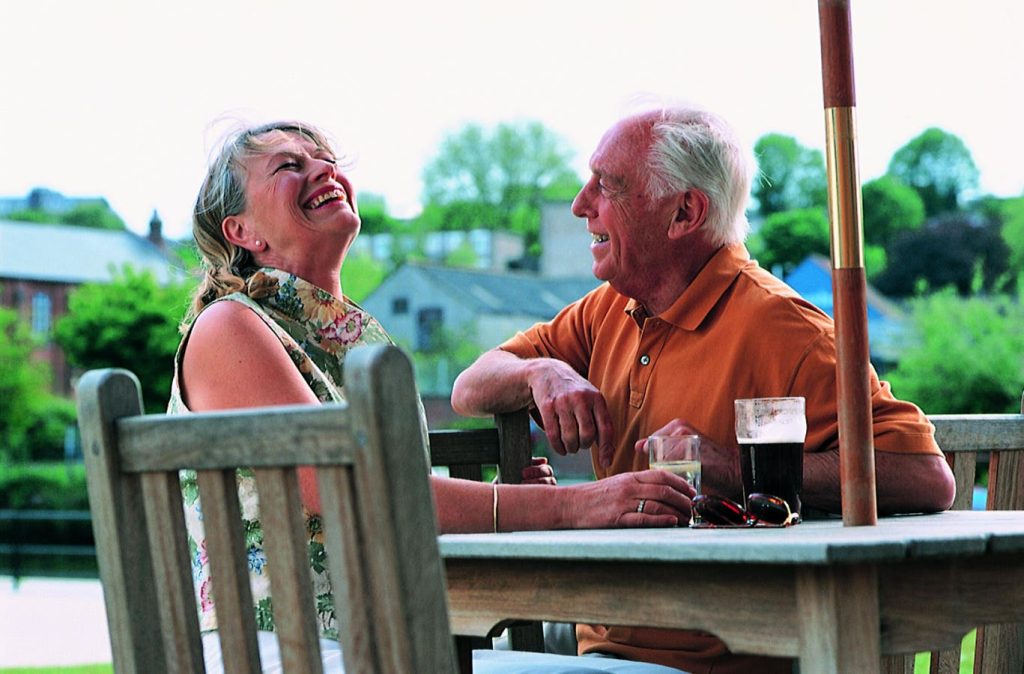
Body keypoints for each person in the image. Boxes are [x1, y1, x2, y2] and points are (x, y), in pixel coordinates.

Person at [171, 120, 695, 674]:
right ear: (242, 231)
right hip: (276, 649)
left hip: (389, 646)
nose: (324, 169)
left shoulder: (348, 340)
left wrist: (504, 502)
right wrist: (577, 504)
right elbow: (357, 494)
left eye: (325, 159)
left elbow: (393, 506)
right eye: (289, 165)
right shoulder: (229, 327)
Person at [450, 105, 956, 674]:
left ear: (684, 212)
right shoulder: (609, 309)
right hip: (600, 651)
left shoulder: (788, 330)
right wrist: (541, 371)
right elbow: (470, 388)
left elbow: (926, 476)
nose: (579, 203)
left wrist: (736, 466)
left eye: (607, 185)